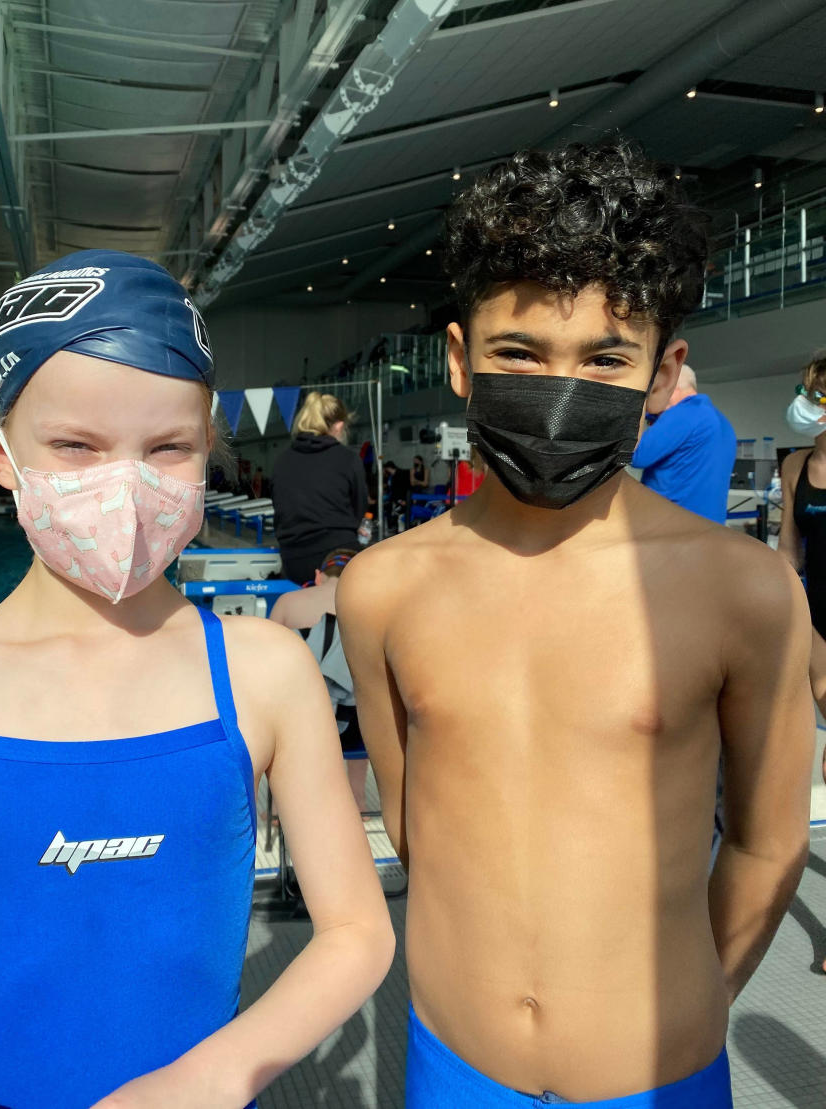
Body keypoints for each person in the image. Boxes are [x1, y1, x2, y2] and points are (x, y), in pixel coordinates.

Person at [337, 142, 813, 1108]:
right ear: (463, 360)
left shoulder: (742, 590)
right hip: (452, 1064)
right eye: (521, 352)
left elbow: (768, 841)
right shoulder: (383, 588)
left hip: (662, 1072)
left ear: (662, 371)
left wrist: (701, 995)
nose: (561, 389)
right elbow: (416, 819)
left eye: (605, 357)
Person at [0, 250, 394, 1109]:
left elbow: (357, 931)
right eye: (76, 445)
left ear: (207, 450)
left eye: (167, 448)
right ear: (2, 452)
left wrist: (205, 1080)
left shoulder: (263, 671)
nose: (124, 485)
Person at [269, 549, 368, 810]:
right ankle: (358, 798)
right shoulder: (370, 605)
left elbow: (267, 662)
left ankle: (281, 808)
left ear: (318, 576)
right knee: (363, 702)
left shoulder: (289, 601)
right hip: (354, 732)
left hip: (299, 728)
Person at [778, 353, 826, 815]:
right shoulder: (795, 466)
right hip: (817, 613)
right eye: (807, 394)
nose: (806, 404)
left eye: (815, 395)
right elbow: (789, 550)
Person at [271, 393, 367, 584]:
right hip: (338, 558)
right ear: (339, 426)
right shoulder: (348, 459)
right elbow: (359, 509)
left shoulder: (281, 461)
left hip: (294, 560)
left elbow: (281, 508)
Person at [631, 363, 737, 524]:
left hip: (673, 525)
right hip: (711, 526)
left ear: (669, 386)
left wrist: (638, 411)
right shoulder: (721, 420)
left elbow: (636, 455)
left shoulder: (682, 413)